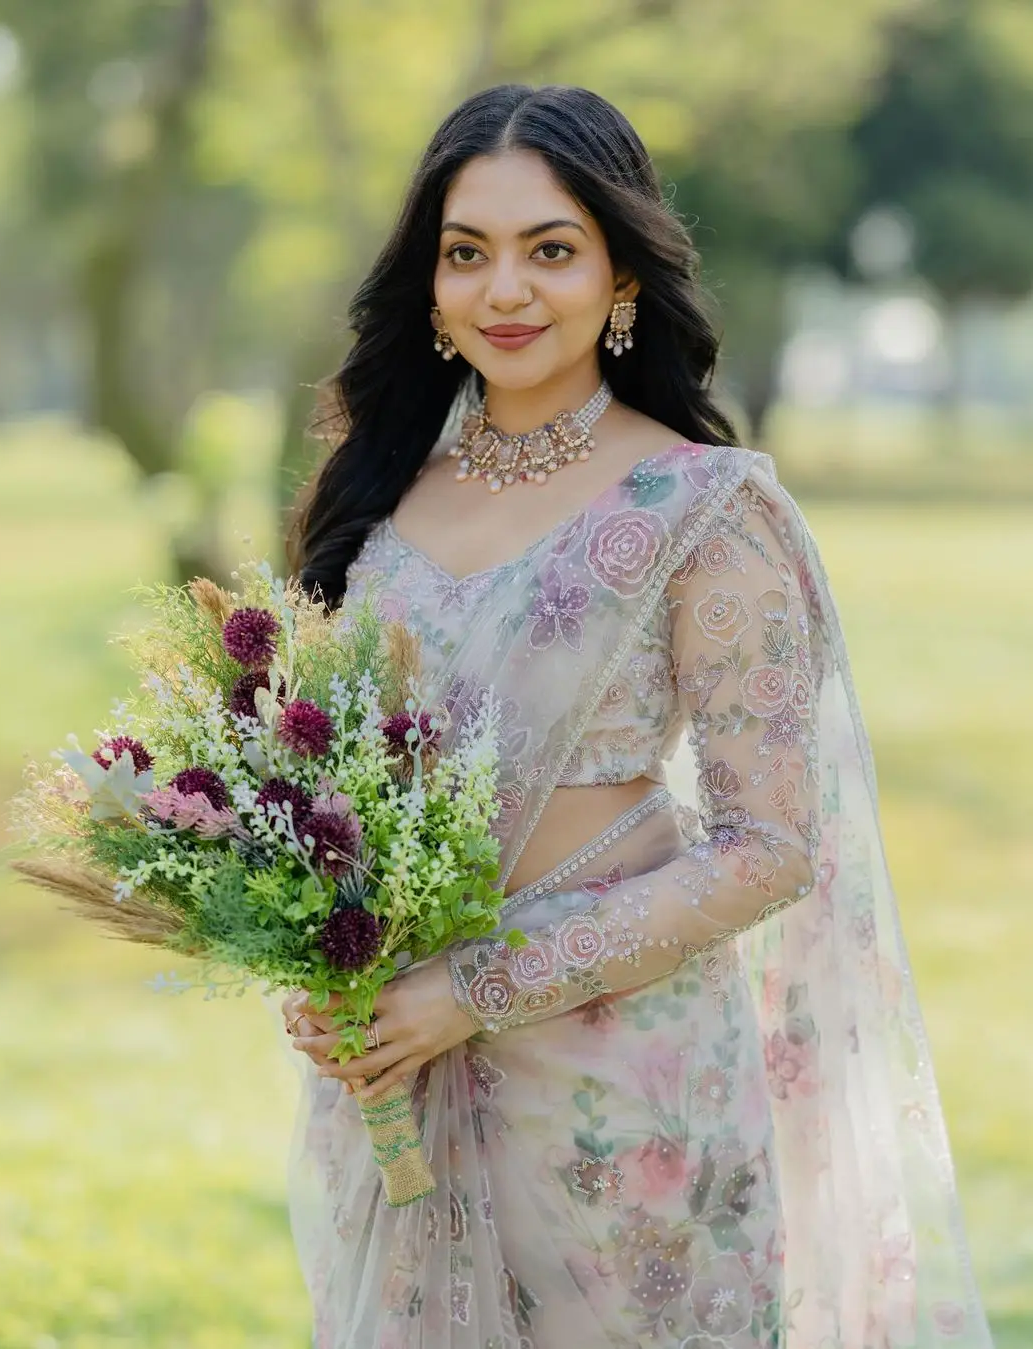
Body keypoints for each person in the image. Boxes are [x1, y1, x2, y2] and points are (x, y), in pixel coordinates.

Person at [280, 84, 993, 1349]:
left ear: (621, 277)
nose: (505, 289)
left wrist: (481, 983)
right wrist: (322, 956)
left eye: (550, 249)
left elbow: (771, 844)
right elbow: (339, 782)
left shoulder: (704, 507)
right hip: (405, 1081)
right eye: (467, 252)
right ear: (430, 290)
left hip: (622, 1104)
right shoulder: (382, 501)